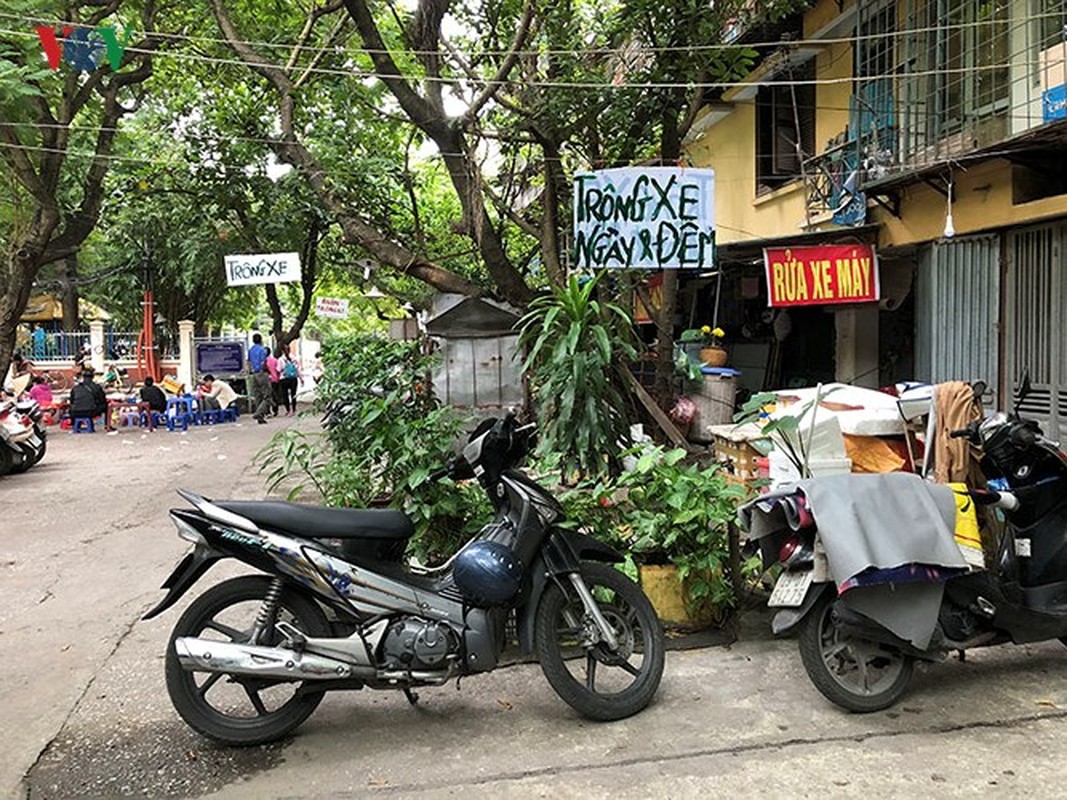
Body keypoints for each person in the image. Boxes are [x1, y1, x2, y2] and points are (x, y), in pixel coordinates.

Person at [247, 332, 271, 424]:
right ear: (261, 340)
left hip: (254, 374)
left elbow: (248, 362)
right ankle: (259, 413)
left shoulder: (250, 350)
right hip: (262, 373)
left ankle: (260, 418)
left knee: (258, 396)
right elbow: (264, 362)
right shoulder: (262, 350)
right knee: (267, 396)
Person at [277, 347, 301, 415]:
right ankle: (294, 409)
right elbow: (297, 369)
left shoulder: (280, 359)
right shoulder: (294, 358)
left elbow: (278, 369)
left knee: (285, 395)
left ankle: (288, 410)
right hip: (293, 378)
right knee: (293, 394)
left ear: (282, 351)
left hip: (284, 379)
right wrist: (301, 379)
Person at [266, 346, 281, 417]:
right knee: (275, 395)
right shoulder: (274, 360)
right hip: (275, 379)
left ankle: (268, 411)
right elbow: (278, 370)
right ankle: (275, 410)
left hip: (267, 380)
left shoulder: (263, 361)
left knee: (267, 396)